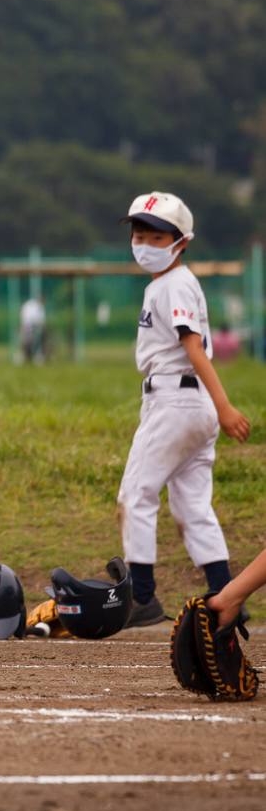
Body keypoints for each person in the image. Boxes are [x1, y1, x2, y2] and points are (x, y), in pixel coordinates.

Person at [116, 192, 250, 629]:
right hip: (193, 407)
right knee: (193, 506)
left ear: (182, 241)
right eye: (140, 233)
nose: (145, 243)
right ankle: (226, 593)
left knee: (135, 494)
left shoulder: (172, 284)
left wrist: (226, 406)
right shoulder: (172, 282)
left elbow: (193, 347)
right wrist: (217, 409)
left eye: (157, 236)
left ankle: (143, 598)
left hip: (175, 401)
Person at [19, 293, 46, 364]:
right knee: (27, 344)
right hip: (29, 328)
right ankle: (23, 358)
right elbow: (37, 321)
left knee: (28, 344)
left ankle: (33, 358)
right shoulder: (36, 307)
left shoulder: (32, 305)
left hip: (29, 327)